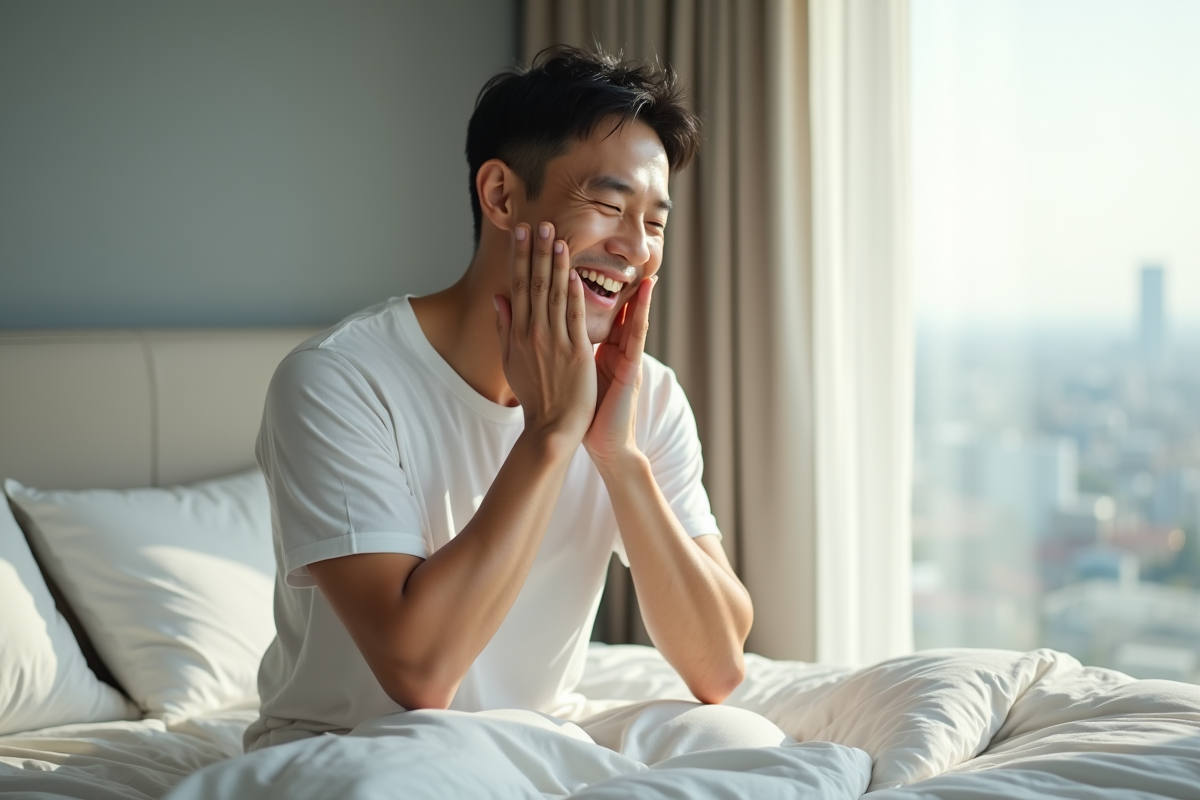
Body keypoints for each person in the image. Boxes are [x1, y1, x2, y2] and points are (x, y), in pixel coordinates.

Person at [244, 46, 779, 759]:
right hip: (355, 749)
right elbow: (421, 672)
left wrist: (618, 458)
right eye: (609, 206)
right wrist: (551, 434)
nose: (634, 249)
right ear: (500, 195)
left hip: (536, 741)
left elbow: (718, 666)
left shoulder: (643, 393)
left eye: (654, 223)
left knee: (739, 738)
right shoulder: (338, 381)